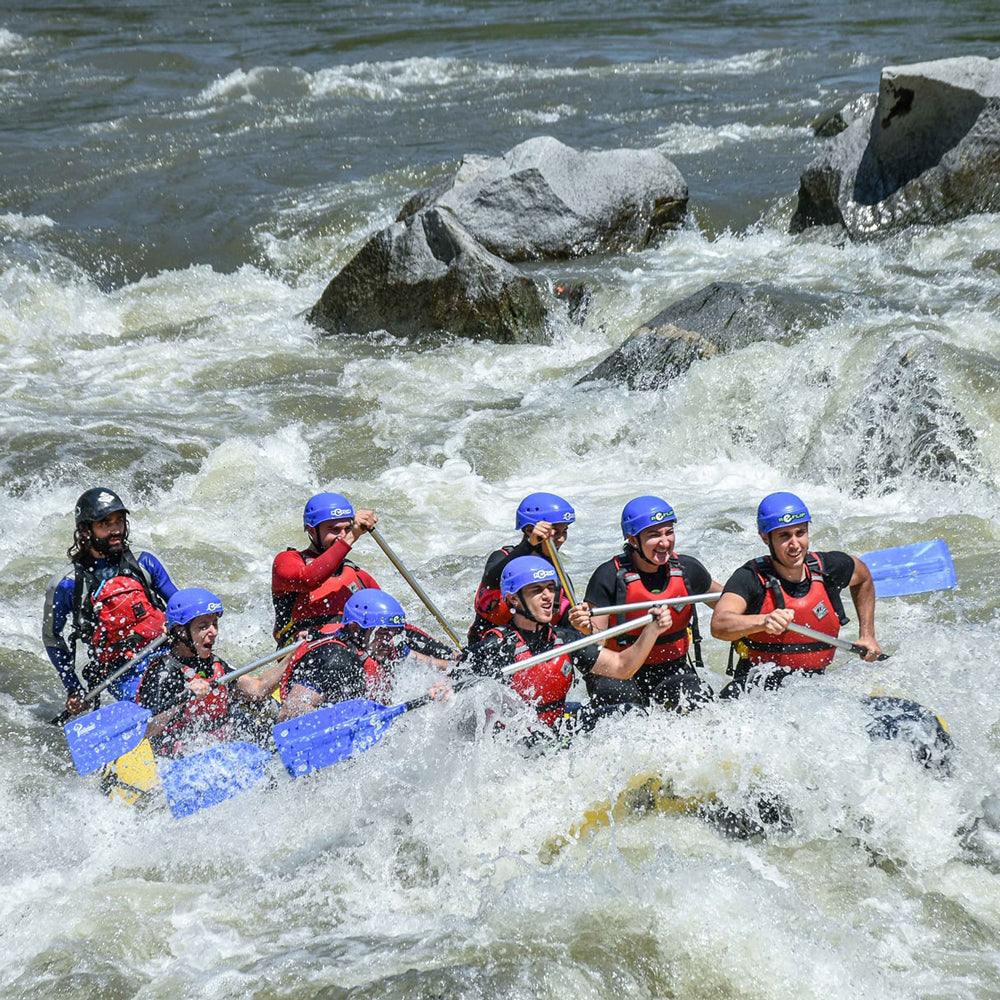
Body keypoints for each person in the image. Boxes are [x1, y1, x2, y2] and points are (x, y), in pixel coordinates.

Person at [458, 555, 677, 731]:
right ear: (513, 599)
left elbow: (622, 667)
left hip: (556, 728)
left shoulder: (564, 640)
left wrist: (652, 631)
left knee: (632, 712)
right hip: (514, 741)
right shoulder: (496, 646)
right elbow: (456, 686)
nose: (548, 596)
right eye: (537, 590)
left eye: (550, 588)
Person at [710, 491, 882, 696]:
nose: (794, 544)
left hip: (813, 689)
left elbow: (862, 576)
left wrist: (867, 635)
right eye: (784, 536)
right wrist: (763, 621)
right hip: (756, 690)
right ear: (766, 538)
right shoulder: (750, 578)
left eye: (800, 533)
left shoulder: (828, 568)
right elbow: (719, 625)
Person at [42, 487, 178, 717]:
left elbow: (179, 606)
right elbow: (52, 638)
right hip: (121, 672)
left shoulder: (144, 563)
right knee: (164, 697)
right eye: (106, 523)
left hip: (167, 652)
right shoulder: (67, 584)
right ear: (85, 531)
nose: (116, 530)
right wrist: (73, 689)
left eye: (120, 521)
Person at [579, 496, 722, 712]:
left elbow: (729, 605)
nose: (665, 542)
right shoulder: (608, 576)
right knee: (626, 711)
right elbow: (594, 639)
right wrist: (584, 628)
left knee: (699, 703)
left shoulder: (687, 570)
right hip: (618, 673)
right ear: (633, 540)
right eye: (654, 535)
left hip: (672, 670)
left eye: (669, 532)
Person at [136, 588, 285, 756]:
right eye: (203, 626)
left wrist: (294, 654)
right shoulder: (162, 672)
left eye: (214, 624)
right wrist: (184, 697)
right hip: (182, 759)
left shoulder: (212, 663)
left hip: (222, 746)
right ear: (181, 631)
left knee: (262, 714)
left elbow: (258, 689)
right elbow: (146, 730)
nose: (214, 632)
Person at [276, 589, 456, 722]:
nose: (389, 641)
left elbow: (431, 664)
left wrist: (446, 679)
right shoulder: (336, 659)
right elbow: (292, 709)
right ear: (356, 630)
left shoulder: (385, 648)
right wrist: (346, 724)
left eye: (394, 633)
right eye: (383, 633)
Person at [467, 491, 576, 645]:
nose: (562, 538)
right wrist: (530, 544)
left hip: (531, 655)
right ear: (530, 530)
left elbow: (570, 628)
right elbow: (491, 581)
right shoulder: (502, 558)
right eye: (556, 532)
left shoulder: (558, 578)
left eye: (565, 531)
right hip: (488, 651)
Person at [271, 491, 380, 644]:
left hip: (351, 651)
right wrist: (352, 536)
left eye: (347, 529)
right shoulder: (288, 560)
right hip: (309, 652)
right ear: (311, 531)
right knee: (334, 658)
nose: (342, 535)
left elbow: (385, 617)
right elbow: (308, 580)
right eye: (334, 529)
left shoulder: (358, 575)